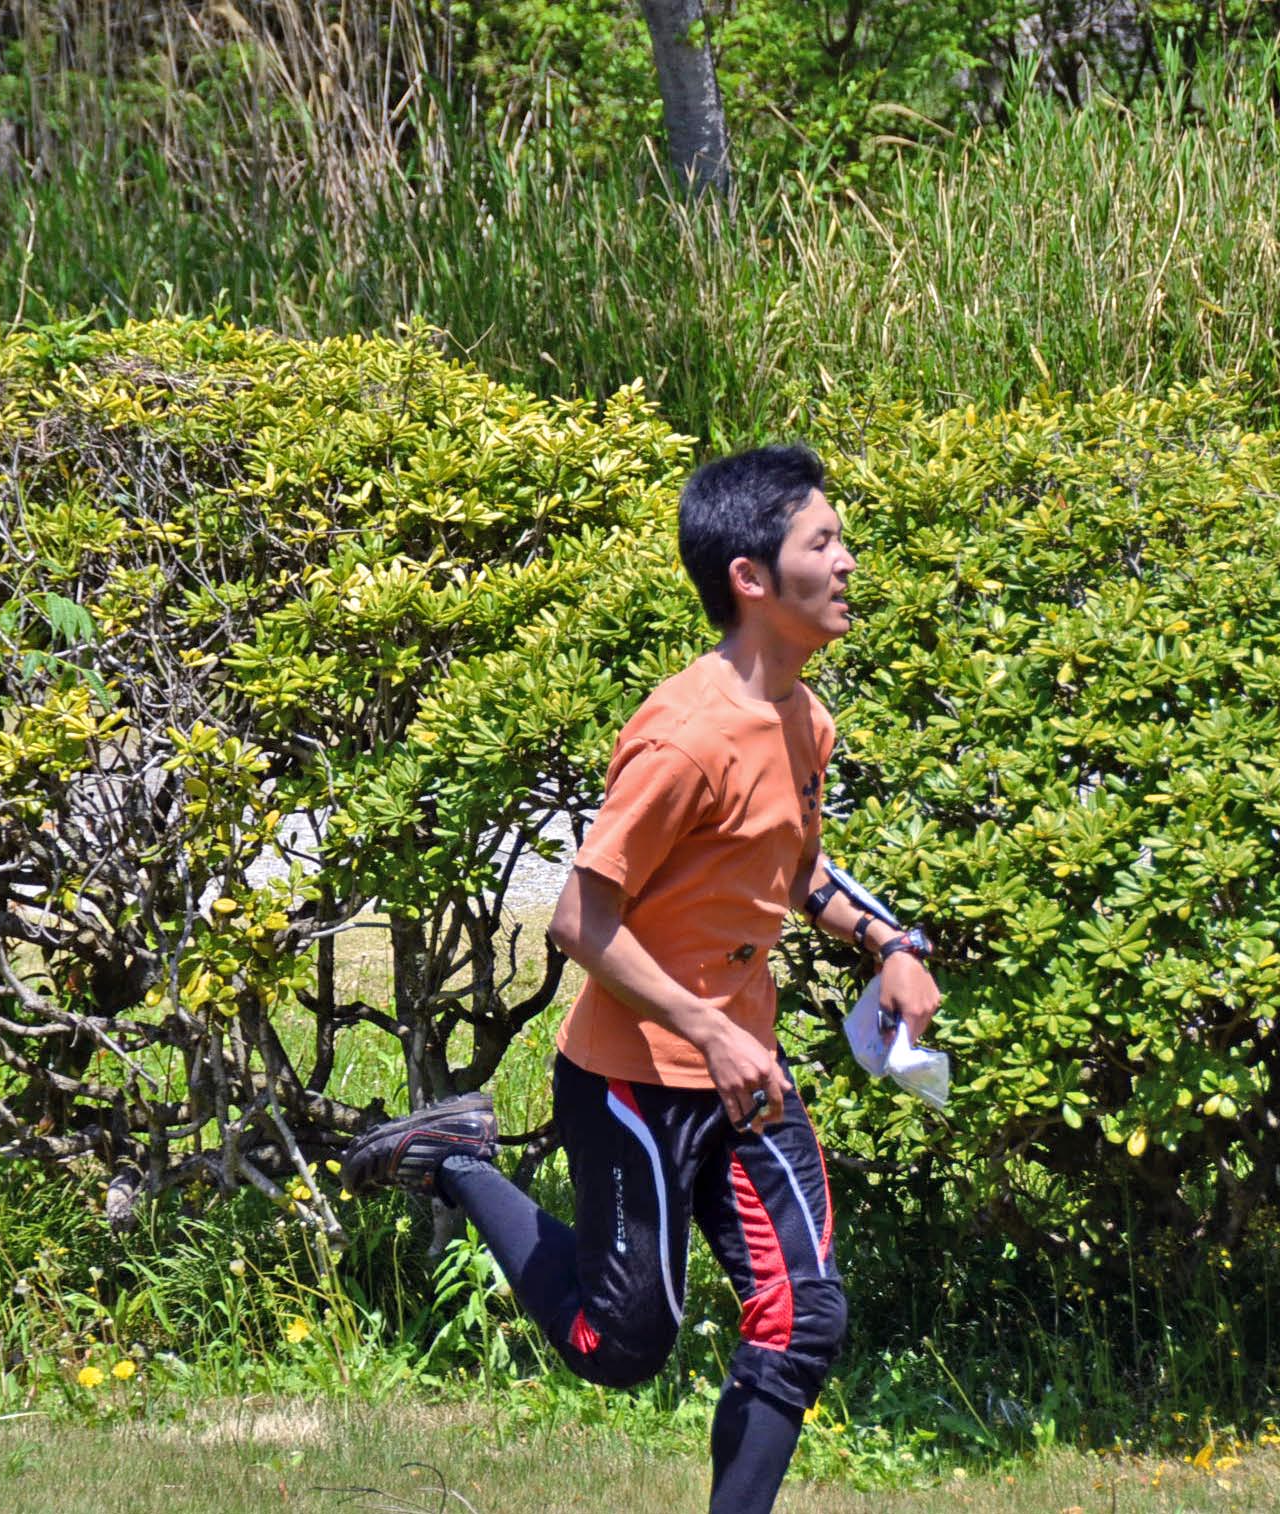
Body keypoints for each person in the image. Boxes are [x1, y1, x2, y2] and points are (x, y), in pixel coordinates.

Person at [340, 445, 943, 1513]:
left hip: (744, 1076)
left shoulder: (803, 717)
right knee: (619, 1346)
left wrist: (888, 943)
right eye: (823, 542)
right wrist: (705, 1028)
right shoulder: (683, 736)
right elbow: (581, 918)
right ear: (750, 576)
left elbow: (791, 865)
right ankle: (456, 1161)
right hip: (632, 1081)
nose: (848, 561)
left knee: (801, 1316)